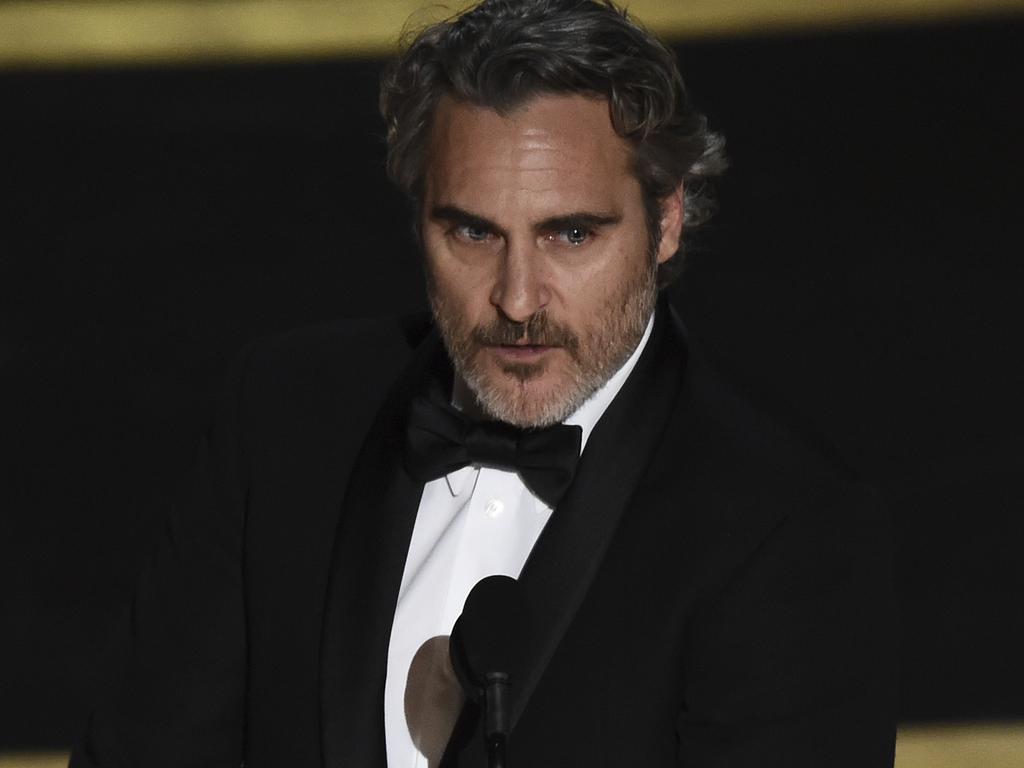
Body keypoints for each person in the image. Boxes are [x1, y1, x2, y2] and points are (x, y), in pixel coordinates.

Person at [71, 1, 897, 766]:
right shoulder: (284, 413)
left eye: (571, 233)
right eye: (471, 231)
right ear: (418, 213)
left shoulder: (787, 527)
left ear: (668, 219)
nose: (517, 299)